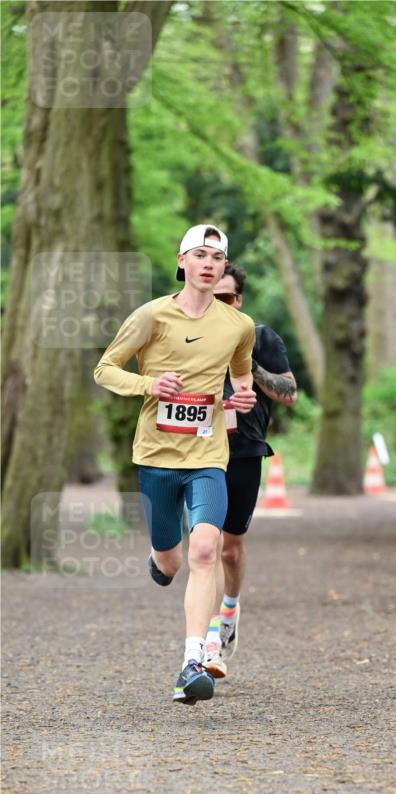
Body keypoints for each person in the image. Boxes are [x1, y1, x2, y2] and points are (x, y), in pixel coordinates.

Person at [94, 224, 256, 706]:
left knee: (206, 550)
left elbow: (242, 375)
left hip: (208, 455)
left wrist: (242, 396)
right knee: (172, 560)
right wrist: (149, 386)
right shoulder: (151, 315)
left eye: (217, 258)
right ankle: (160, 559)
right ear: (182, 261)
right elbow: (106, 368)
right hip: (156, 455)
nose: (208, 264)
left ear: (225, 268)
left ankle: (191, 663)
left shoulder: (238, 325)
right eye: (199, 255)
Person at [204, 263, 297, 677]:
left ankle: (229, 610)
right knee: (204, 548)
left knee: (229, 548)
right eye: (211, 297)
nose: (218, 305)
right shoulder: (189, 335)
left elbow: (290, 392)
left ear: (238, 300)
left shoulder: (261, 337)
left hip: (245, 450)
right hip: (199, 452)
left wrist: (245, 364)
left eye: (226, 298)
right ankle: (206, 645)